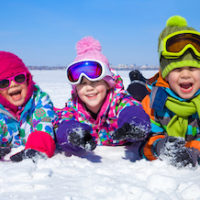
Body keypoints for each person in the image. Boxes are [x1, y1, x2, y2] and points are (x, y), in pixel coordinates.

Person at [55, 36, 150, 154]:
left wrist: (135, 123)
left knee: (138, 92)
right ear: (76, 89)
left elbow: (131, 109)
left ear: (107, 84)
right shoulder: (73, 107)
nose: (89, 88)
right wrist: (72, 134)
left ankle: (137, 80)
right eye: (83, 83)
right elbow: (65, 122)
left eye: (95, 82)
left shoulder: (119, 101)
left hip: (136, 95)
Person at [140, 15, 200, 168]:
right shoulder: (155, 101)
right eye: (177, 69)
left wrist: (194, 150)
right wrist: (160, 146)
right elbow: (146, 140)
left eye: (193, 68)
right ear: (165, 75)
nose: (186, 74)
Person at [0, 51, 57, 162]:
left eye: (19, 78)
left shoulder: (39, 101)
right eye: (3, 83)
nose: (13, 84)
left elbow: (44, 124)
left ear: (28, 80)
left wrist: (37, 148)